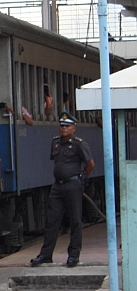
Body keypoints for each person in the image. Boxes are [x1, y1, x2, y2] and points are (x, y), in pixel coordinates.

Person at [30, 113, 95, 267]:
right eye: (62, 126)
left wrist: (82, 179)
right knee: (52, 220)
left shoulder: (79, 144)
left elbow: (90, 164)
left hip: (73, 185)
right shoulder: (55, 143)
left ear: (74, 128)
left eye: (67, 126)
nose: (63, 128)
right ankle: (46, 254)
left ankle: (73, 255)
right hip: (58, 185)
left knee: (75, 220)